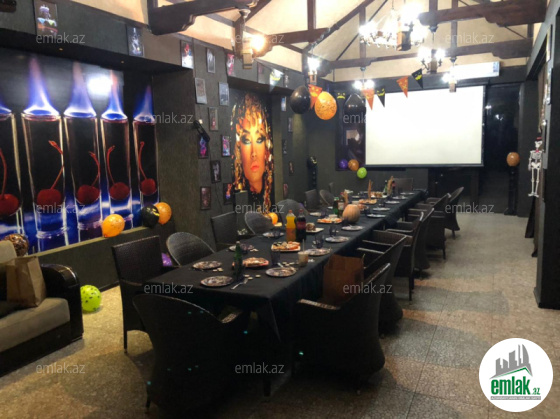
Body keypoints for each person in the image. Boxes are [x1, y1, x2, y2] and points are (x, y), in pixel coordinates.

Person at [231, 93, 274, 211]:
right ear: (238, 147)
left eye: (259, 139)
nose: (254, 153)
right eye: (247, 140)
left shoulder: (271, 194)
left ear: (266, 146)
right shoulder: (239, 204)